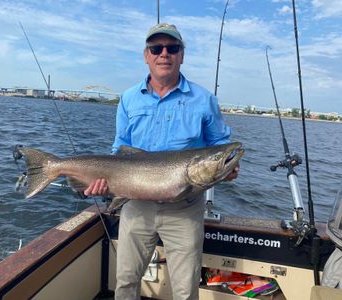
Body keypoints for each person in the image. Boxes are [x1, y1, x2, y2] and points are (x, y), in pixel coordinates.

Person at [84, 23, 239, 300]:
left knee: (185, 290)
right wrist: (105, 183)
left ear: (182, 55)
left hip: (185, 209)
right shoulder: (129, 99)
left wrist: (227, 167)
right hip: (136, 206)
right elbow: (119, 148)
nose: (164, 54)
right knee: (126, 281)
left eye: (172, 48)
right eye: (156, 48)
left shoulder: (204, 99)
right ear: (146, 55)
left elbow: (220, 145)